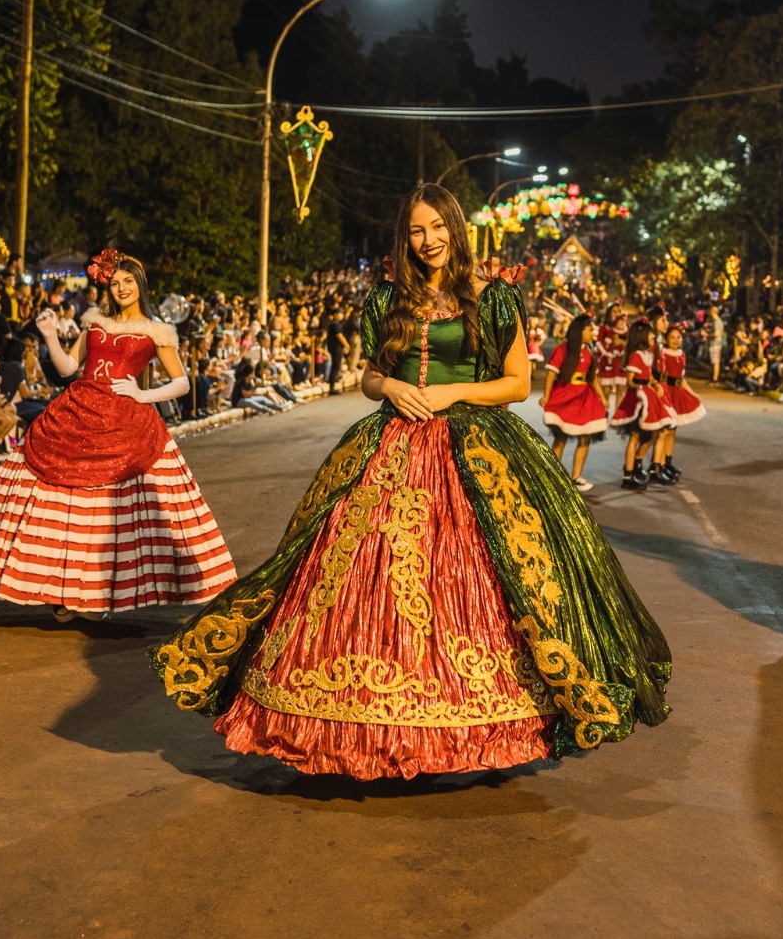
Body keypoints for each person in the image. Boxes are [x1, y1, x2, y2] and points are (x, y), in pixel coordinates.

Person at [153, 184, 671, 780]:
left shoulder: (495, 296)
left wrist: (453, 391)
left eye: (437, 227)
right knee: (352, 578)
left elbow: (515, 384)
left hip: (476, 449)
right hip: (391, 445)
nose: (428, 242)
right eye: (416, 232)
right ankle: (358, 728)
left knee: (484, 580)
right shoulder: (387, 299)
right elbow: (370, 378)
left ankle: (477, 724)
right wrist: (392, 387)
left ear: (456, 226)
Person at [0, 249, 236, 620]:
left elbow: (182, 382)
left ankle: (94, 595)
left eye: (128, 282)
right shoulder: (93, 322)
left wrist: (142, 394)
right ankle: (63, 592)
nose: (122, 288)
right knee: (65, 511)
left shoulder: (157, 331)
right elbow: (70, 368)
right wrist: (50, 337)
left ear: (140, 285)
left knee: (107, 517)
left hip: (125, 422)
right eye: (116, 282)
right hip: (76, 412)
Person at [539, 312, 608, 491]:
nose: (592, 332)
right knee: (561, 438)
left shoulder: (589, 351)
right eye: (589, 329)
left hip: (585, 397)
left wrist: (602, 397)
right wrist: (546, 395)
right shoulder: (563, 349)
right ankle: (552, 477)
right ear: (579, 330)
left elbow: (593, 378)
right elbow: (551, 373)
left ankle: (576, 477)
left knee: (585, 438)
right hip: (566, 396)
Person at [609, 314, 676, 488]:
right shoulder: (636, 356)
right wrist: (641, 388)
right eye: (650, 334)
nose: (652, 336)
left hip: (648, 397)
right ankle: (628, 474)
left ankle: (639, 465)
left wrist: (655, 384)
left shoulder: (647, 354)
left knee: (651, 433)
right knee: (635, 436)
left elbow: (649, 376)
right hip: (638, 400)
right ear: (642, 336)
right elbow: (630, 379)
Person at [653, 323, 705, 481]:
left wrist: (693, 393)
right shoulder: (662, 353)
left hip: (677, 393)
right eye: (672, 337)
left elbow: (681, 379)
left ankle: (668, 462)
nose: (676, 340)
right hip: (666, 392)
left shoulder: (682, 355)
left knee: (673, 431)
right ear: (666, 339)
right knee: (665, 430)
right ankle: (658, 465)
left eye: (678, 337)